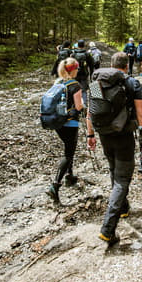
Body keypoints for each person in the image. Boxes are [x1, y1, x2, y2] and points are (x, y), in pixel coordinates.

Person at [86, 52, 142, 247]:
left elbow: (91, 111)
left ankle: (123, 207)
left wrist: (90, 135)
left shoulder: (97, 82)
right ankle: (108, 228)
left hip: (104, 133)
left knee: (114, 170)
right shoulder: (131, 83)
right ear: (126, 66)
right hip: (123, 135)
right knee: (122, 179)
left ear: (111, 64)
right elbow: (141, 113)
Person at [46, 58, 84, 203]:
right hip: (70, 123)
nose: (78, 70)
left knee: (69, 147)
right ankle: (55, 185)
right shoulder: (75, 85)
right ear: (73, 70)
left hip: (57, 122)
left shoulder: (57, 82)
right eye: (77, 68)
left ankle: (70, 175)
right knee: (69, 153)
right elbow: (78, 107)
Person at [72, 39, 95, 104]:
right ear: (84, 45)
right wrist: (91, 74)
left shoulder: (73, 54)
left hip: (75, 74)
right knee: (84, 90)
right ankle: (84, 104)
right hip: (84, 74)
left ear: (77, 45)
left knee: (75, 90)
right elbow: (91, 65)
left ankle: (75, 105)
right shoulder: (87, 54)